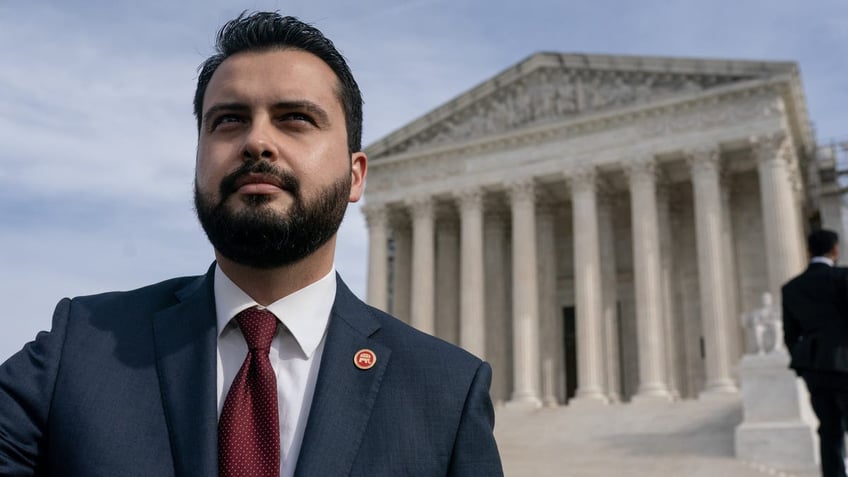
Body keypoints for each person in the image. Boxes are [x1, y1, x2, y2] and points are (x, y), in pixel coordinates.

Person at [0, 12, 503, 477]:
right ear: (198, 159)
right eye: (229, 120)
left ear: (356, 176)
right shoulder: (83, 347)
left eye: (295, 119)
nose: (257, 141)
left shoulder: (445, 394)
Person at [783, 228, 848, 477]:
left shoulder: (791, 288)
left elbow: (790, 335)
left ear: (808, 252)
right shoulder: (842, 277)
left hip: (815, 368)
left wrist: (803, 364)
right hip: (845, 362)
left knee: (829, 430)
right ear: (835, 250)